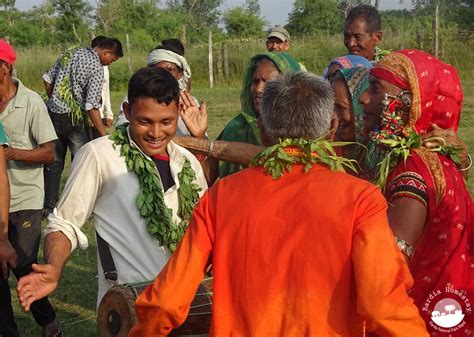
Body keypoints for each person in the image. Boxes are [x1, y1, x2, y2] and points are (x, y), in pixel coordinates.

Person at [129, 71, 429, 337]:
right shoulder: (360, 199)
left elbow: (166, 301)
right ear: (331, 127)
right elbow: (383, 307)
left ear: (263, 130)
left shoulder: (222, 196)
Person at [17, 67, 208, 310]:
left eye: (167, 122)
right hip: (130, 306)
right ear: (127, 112)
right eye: (144, 121)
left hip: (188, 303)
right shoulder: (100, 155)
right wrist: (54, 267)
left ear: (178, 113)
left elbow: (204, 228)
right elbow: (64, 223)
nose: (156, 133)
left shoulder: (187, 162)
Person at [358, 49, 473, 335]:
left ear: (409, 103)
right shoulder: (437, 159)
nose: (363, 99)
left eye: (375, 89)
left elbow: (389, 270)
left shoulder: (411, 170)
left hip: (415, 321)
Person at [0, 39, 61, 337]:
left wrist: (11, 154)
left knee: (23, 265)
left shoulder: (32, 102)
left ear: (6, 67)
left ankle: (48, 322)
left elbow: (50, 153)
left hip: (25, 197)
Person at [43, 37, 123, 216]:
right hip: (74, 120)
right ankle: (77, 206)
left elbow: (48, 80)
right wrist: (104, 135)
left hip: (53, 114)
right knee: (82, 162)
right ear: (107, 52)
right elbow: (91, 106)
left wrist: (55, 101)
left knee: (54, 162)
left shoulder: (70, 53)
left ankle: (48, 207)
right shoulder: (96, 68)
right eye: (112, 60)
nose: (110, 63)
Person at [115, 41, 202, 138]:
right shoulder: (138, 97)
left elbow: (202, 141)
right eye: (158, 70)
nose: (164, 75)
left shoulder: (190, 104)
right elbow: (122, 130)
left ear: (180, 73)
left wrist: (199, 135)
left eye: (170, 70)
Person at [88, 35, 114, 139]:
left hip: (99, 116)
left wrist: (108, 113)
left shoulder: (105, 67)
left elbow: (105, 90)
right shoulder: (88, 66)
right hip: (88, 117)